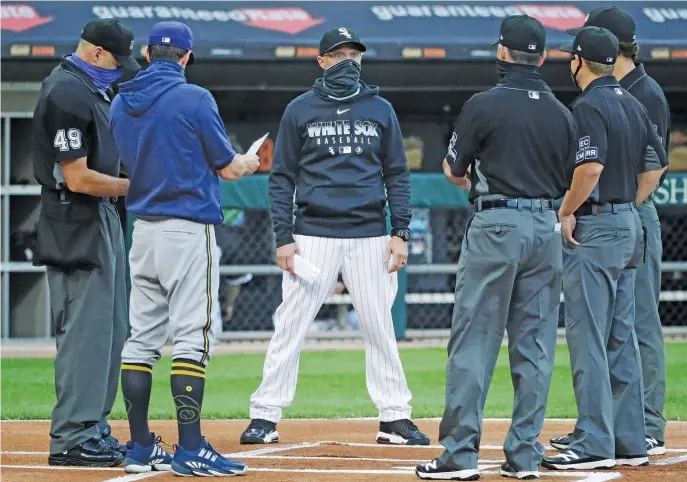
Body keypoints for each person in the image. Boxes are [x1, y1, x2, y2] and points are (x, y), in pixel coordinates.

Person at [240, 27, 430, 447]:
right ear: (321, 61)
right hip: (313, 234)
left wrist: (400, 232)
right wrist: (283, 237)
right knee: (289, 325)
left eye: (354, 55)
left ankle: (395, 417)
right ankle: (265, 415)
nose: (348, 61)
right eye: (339, 54)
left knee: (380, 327)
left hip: (370, 234)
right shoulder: (299, 109)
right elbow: (282, 178)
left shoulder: (380, 108)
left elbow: (397, 174)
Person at [415, 15, 575, 481]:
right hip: (545, 226)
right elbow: (572, 176)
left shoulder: (483, 104)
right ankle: (524, 457)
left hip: (496, 224)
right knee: (536, 346)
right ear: (544, 58)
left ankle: (460, 456)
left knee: (475, 341)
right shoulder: (562, 113)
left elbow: (452, 168)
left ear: (502, 53)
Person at [109, 21, 259, 476]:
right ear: (187, 58)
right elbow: (229, 169)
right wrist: (249, 161)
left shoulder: (120, 100)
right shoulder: (195, 97)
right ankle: (190, 447)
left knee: (141, 341)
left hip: (144, 231)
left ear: (150, 54)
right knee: (192, 338)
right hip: (188, 229)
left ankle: (139, 446)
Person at [542, 26, 668, 471]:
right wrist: (625, 207)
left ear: (579, 61)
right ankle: (630, 439)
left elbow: (590, 168)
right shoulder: (632, 101)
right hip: (629, 225)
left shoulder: (590, 104)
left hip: (596, 229)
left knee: (589, 337)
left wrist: (567, 210)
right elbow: (657, 167)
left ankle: (594, 440)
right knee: (621, 337)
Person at [31, 18, 139, 467]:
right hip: (75, 221)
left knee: (112, 330)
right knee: (85, 332)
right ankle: (73, 437)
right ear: (95, 53)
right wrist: (142, 185)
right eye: (116, 60)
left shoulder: (93, 91)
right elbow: (76, 177)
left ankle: (92, 427)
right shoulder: (66, 91)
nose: (120, 69)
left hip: (101, 219)